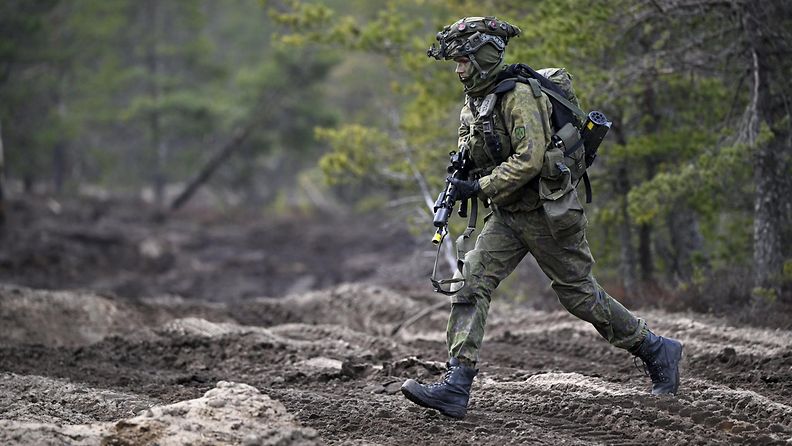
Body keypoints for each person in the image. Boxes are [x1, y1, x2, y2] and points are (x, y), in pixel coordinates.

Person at [400, 16, 683, 420]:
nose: (458, 69)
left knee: (581, 297)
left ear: (482, 57)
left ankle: (656, 348)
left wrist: (479, 188)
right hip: (509, 215)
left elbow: (529, 159)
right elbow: (473, 148)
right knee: (471, 281)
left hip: (547, 214)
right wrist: (462, 174)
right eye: (456, 62)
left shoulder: (517, 96)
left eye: (463, 61)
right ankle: (457, 385)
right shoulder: (475, 100)